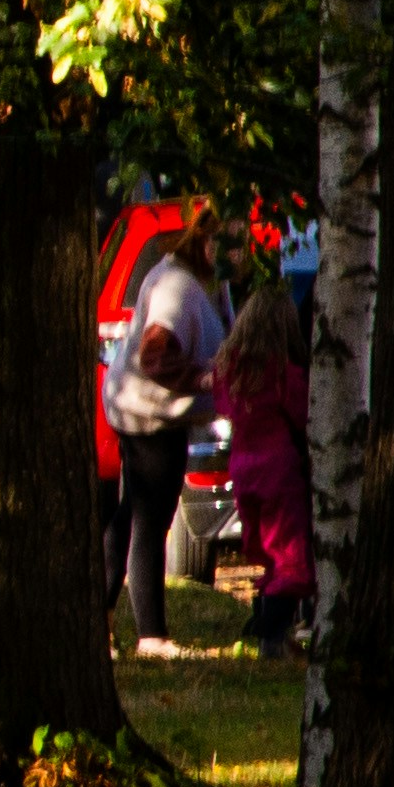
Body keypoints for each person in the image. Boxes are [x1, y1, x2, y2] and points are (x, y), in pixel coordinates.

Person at [106, 222, 231, 658]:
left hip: (147, 411)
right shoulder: (176, 287)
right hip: (150, 416)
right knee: (148, 520)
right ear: (205, 241)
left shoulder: (200, 280)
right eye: (230, 242)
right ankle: (151, 637)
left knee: (130, 515)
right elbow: (155, 354)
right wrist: (202, 378)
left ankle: (99, 620)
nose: (239, 252)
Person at [211, 282, 313, 657]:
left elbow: (222, 406)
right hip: (280, 472)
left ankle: (271, 629)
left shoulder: (232, 371)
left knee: (265, 554)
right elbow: (305, 416)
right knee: (289, 556)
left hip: (244, 469)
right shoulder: (286, 375)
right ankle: (272, 635)